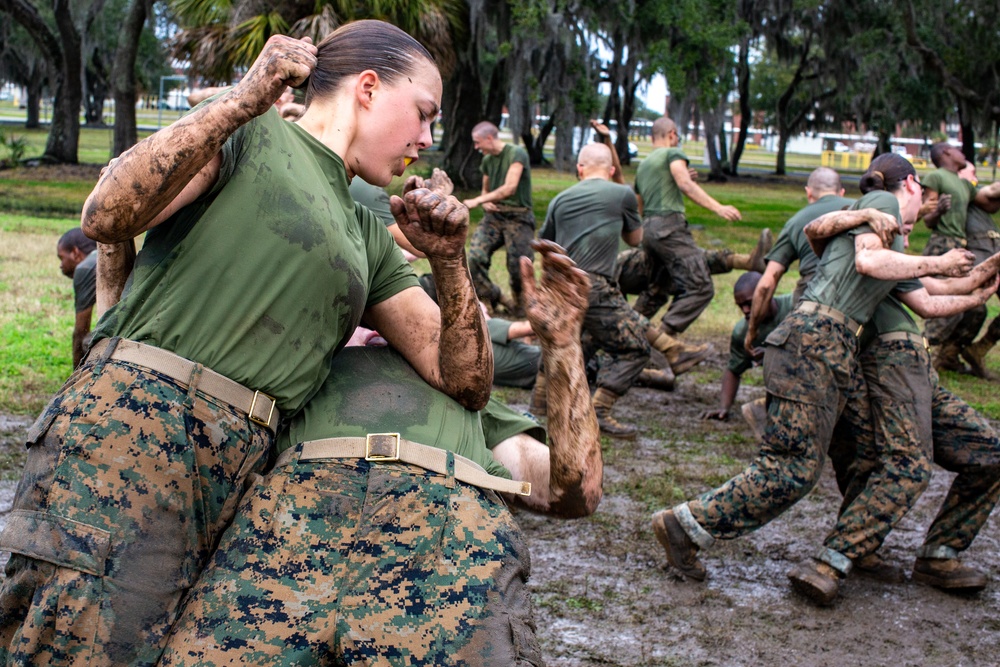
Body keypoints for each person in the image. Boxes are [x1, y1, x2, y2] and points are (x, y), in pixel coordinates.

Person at [0, 22, 492, 666]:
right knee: (69, 644)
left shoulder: (367, 235)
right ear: (369, 88)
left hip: (240, 467)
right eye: (423, 114)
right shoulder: (251, 133)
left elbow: (463, 378)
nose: (426, 139)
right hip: (135, 429)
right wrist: (241, 99)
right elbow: (107, 214)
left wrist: (450, 262)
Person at [157, 241, 602, 665]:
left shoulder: (471, 400)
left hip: (438, 531)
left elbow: (571, 490)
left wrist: (563, 346)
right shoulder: (292, 369)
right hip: (292, 520)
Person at [649, 153, 990, 588]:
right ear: (911, 184)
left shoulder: (883, 230)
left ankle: (695, 527)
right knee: (792, 466)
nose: (923, 203)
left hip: (823, 346)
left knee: (813, 461)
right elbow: (869, 261)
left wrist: (979, 285)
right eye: (922, 190)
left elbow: (926, 297)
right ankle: (686, 525)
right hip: (816, 341)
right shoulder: (883, 203)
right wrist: (938, 261)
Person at [792, 209, 1000, 604]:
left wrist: (981, 283)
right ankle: (829, 562)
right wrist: (866, 213)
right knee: (907, 465)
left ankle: (940, 556)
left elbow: (930, 295)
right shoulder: (859, 245)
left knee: (989, 455)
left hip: (921, 374)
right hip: (888, 369)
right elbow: (817, 232)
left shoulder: (895, 260)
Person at [539, 142, 650, 439]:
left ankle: (538, 408)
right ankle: (601, 408)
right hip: (594, 287)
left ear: (579, 169)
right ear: (612, 171)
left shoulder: (560, 199)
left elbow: (544, 244)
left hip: (560, 287)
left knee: (571, 343)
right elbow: (636, 239)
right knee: (636, 346)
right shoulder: (623, 193)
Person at [632, 116, 742, 364]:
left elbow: (639, 206)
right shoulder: (673, 154)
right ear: (671, 134)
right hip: (670, 228)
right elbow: (683, 184)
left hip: (649, 232)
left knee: (657, 289)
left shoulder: (644, 164)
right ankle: (666, 342)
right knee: (700, 286)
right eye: (678, 137)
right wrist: (718, 207)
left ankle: (628, 335)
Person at [745, 168, 855, 351]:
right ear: (841, 192)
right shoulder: (863, 209)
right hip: (859, 310)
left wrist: (752, 330)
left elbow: (767, 284)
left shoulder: (797, 222)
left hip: (812, 312)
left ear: (808, 192)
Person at [919, 141, 1000, 371]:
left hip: (960, 248)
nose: (962, 153)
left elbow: (989, 201)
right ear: (946, 152)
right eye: (958, 149)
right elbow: (926, 218)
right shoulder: (936, 176)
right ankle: (923, 355)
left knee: (972, 309)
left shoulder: (964, 184)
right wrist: (938, 211)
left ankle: (948, 356)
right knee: (942, 306)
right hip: (942, 244)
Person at [700, 272, 794, 432]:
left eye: (750, 303)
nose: (745, 310)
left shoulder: (795, 306)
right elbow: (733, 369)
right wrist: (724, 407)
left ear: (767, 294)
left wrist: (774, 354)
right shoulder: (742, 332)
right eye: (740, 306)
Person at [463, 120, 535, 316]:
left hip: (519, 216)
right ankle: (491, 297)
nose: (476, 148)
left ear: (489, 138)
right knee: (476, 257)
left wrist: (478, 200)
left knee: (518, 266)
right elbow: (486, 188)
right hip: (494, 217)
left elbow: (510, 188)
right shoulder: (487, 161)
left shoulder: (516, 154)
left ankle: (521, 306)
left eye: (478, 143)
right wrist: (486, 200)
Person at [957, 162, 1000, 378]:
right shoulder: (957, 190)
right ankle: (947, 353)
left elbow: (992, 196)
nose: (974, 176)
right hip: (979, 257)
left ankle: (978, 349)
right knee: (974, 309)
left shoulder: (974, 197)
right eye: (971, 172)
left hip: (994, 254)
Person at [56, 228, 99, 367]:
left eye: (62, 257)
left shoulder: (85, 268)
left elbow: (81, 331)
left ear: (75, 253)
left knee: (87, 342)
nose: (61, 265)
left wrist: (75, 378)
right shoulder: (102, 256)